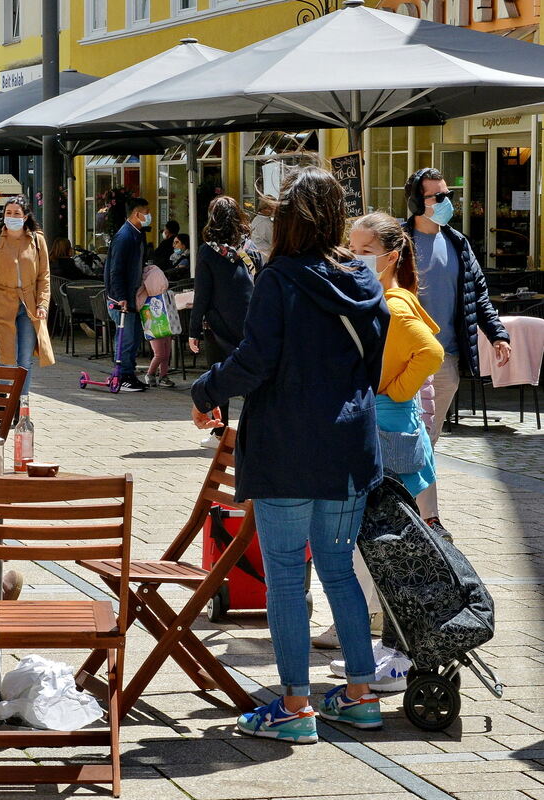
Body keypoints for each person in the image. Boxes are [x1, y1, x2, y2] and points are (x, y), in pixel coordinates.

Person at [191, 166, 389, 744]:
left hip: (286, 445)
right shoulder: (363, 278)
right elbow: (371, 365)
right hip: (348, 445)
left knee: (284, 575)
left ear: (288, 221)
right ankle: (360, 696)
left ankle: (296, 706)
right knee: (338, 569)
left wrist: (205, 390)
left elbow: (255, 361)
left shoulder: (280, 278)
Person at [311, 211, 445, 678]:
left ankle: (401, 654)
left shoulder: (393, 302)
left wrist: (397, 392)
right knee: (381, 543)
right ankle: (390, 645)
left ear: (391, 256)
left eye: (365, 251)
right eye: (351, 248)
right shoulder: (377, 296)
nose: (354, 257)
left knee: (389, 545)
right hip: (385, 427)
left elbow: (431, 351)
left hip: (390, 432)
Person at [402, 168, 511, 540]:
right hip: (406, 360)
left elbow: (478, 296)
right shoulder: (399, 242)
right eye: (438, 197)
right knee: (410, 439)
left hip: (445, 359)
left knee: (428, 440)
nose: (447, 202)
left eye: (447, 195)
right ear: (416, 202)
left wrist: (497, 335)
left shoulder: (458, 242)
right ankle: (425, 519)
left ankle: (418, 517)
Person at [188, 195, 263, 448]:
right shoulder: (250, 248)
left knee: (219, 376)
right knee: (251, 376)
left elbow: (202, 295)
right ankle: (254, 432)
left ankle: (220, 433)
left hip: (218, 326)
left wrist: (193, 330)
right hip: (250, 324)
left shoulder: (208, 251)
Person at [0, 196, 53, 395]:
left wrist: (43, 304)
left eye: (16, 213)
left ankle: (22, 403)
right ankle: (3, 402)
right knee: (6, 357)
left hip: (29, 304)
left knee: (25, 359)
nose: (12, 217)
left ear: (25, 216)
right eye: (8, 213)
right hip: (2, 302)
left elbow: (44, 275)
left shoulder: (37, 240)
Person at [103, 196, 150, 392]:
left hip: (133, 296)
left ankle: (129, 373)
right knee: (126, 338)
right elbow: (116, 270)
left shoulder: (137, 234)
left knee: (134, 337)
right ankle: (122, 376)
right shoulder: (124, 237)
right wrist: (121, 296)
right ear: (136, 214)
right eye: (146, 213)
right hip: (122, 299)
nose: (149, 216)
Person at [138, 261, 175, 388]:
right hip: (157, 323)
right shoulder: (156, 292)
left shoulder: (143, 292)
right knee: (161, 353)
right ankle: (151, 373)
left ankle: (163, 375)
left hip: (158, 323)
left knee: (165, 353)